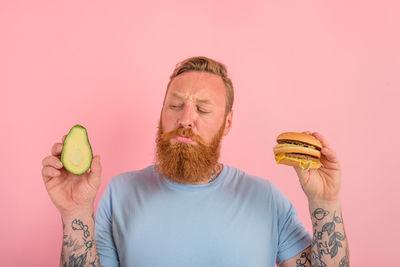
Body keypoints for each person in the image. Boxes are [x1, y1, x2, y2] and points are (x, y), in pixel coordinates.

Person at [42, 56, 349, 267]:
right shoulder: (120, 192)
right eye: (175, 105)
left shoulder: (265, 198)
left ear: (227, 123)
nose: (185, 119)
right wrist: (75, 213)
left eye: (203, 110)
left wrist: (325, 203)